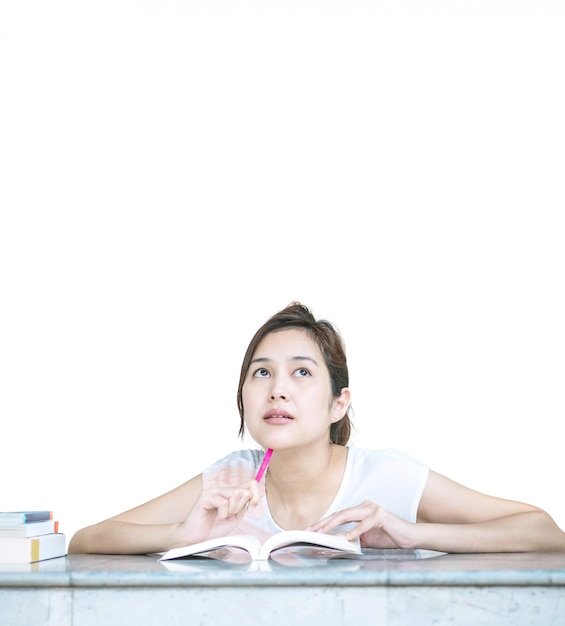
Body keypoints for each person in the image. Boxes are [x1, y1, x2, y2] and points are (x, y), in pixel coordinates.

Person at [68, 301, 565, 555]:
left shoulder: (387, 475)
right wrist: (182, 535)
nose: (277, 390)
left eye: (301, 372)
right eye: (261, 372)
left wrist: (413, 533)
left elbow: (545, 532)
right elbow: (86, 541)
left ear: (338, 404)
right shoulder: (228, 481)